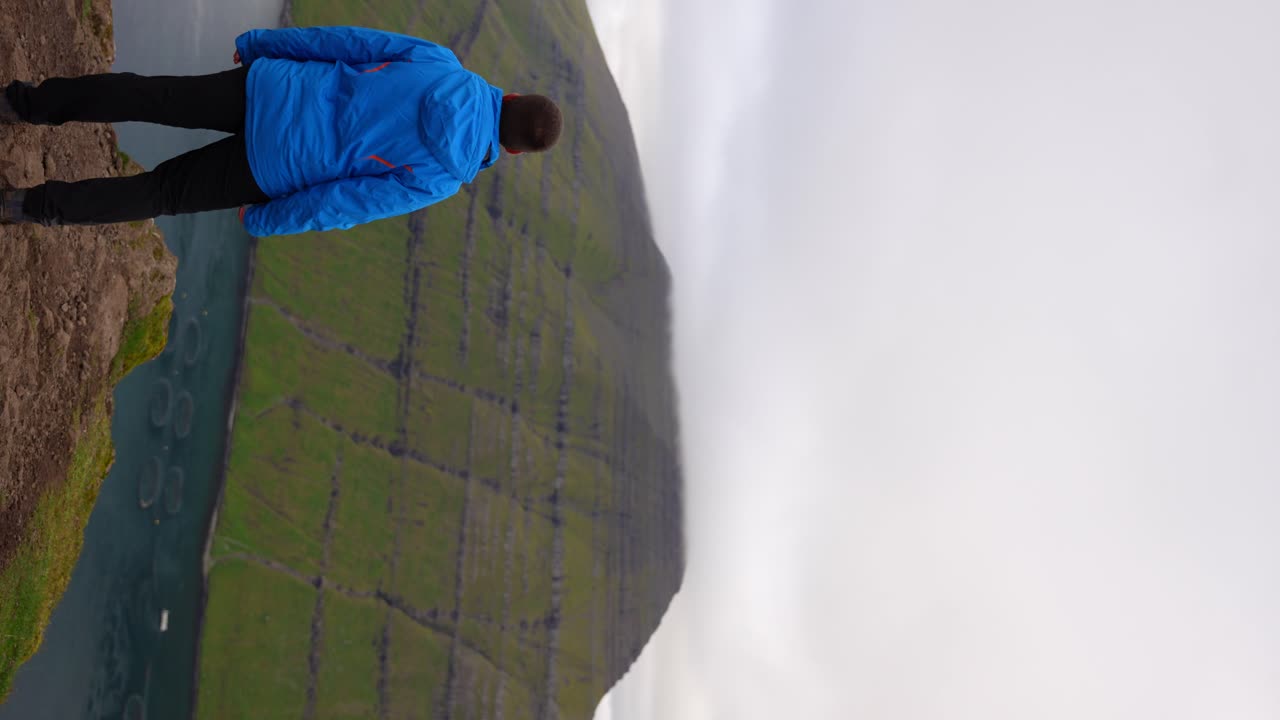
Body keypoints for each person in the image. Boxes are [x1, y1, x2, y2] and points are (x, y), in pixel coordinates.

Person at [0, 25, 562, 236]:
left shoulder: (440, 63)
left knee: (151, 96)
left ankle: (20, 104)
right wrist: (268, 220)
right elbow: (343, 203)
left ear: (511, 95)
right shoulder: (440, 179)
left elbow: (343, 43)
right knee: (159, 193)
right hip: (273, 166)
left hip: (269, 88)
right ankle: (24, 206)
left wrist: (262, 45)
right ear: (511, 151)